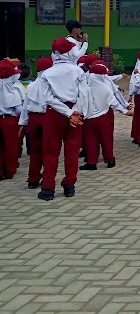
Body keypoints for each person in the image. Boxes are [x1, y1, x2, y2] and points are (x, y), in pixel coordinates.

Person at [29, 38, 85, 200]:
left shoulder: (47, 73)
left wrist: (67, 113)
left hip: (54, 113)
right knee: (72, 151)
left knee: (50, 152)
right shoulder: (78, 71)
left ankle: (48, 188)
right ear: (69, 53)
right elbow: (84, 94)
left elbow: (48, 98)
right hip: (75, 113)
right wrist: (74, 112)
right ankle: (69, 185)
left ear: (54, 53)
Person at [76, 61, 131, 170]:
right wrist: (125, 111)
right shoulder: (106, 88)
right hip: (104, 117)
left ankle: (92, 163)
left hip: (89, 119)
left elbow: (79, 102)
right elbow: (114, 103)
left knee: (91, 141)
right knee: (107, 138)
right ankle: (110, 159)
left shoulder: (84, 88)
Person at [18, 57, 53, 188]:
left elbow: (25, 106)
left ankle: (33, 179)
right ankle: (47, 177)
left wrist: (23, 123)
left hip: (33, 119)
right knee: (49, 151)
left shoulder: (32, 85)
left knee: (35, 150)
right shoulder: (53, 85)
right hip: (49, 118)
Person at [0, 59, 26, 181]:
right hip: (9, 121)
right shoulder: (12, 91)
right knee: (11, 146)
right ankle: (9, 170)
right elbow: (19, 109)